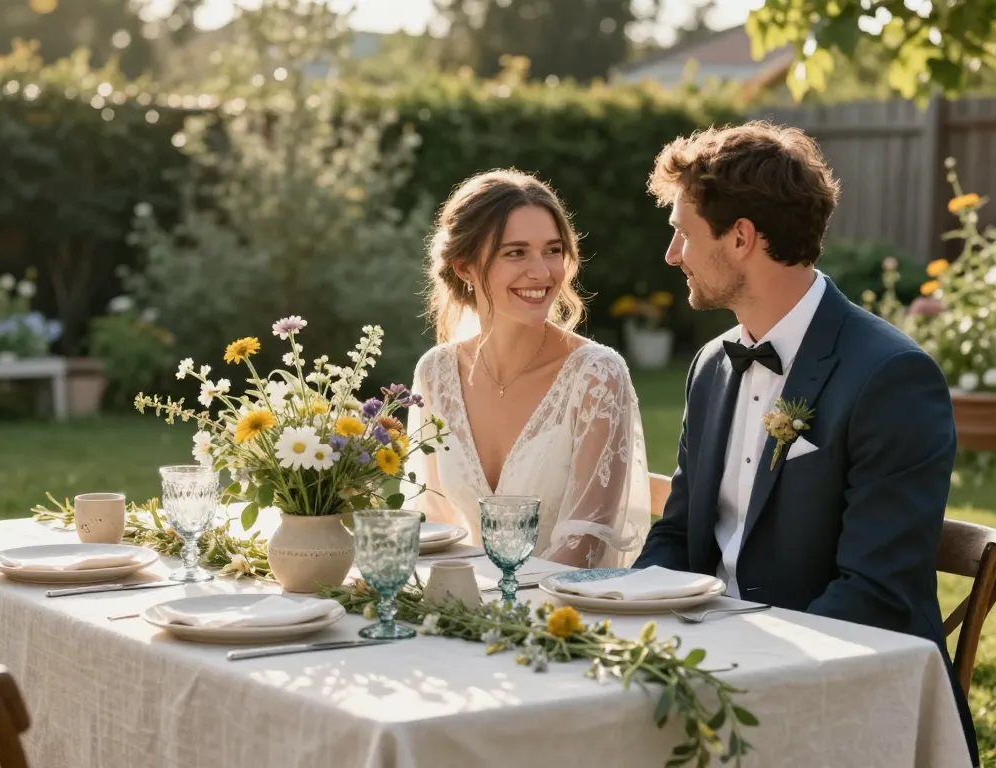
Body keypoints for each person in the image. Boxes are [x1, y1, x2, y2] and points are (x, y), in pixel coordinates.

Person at [633, 120, 979, 764]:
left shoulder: (890, 376)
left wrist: (752, 675)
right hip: (712, 676)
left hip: (844, 697)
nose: (673, 253)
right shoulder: (712, 364)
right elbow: (678, 535)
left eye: (683, 231)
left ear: (741, 238)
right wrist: (623, 620)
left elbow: (875, 592)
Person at [405, 168, 651, 569]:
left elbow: (586, 540)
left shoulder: (597, 376)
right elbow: (432, 522)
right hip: (463, 601)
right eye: (516, 253)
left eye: (552, 250)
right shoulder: (436, 373)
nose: (542, 272)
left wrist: (508, 602)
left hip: (562, 603)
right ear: (465, 266)